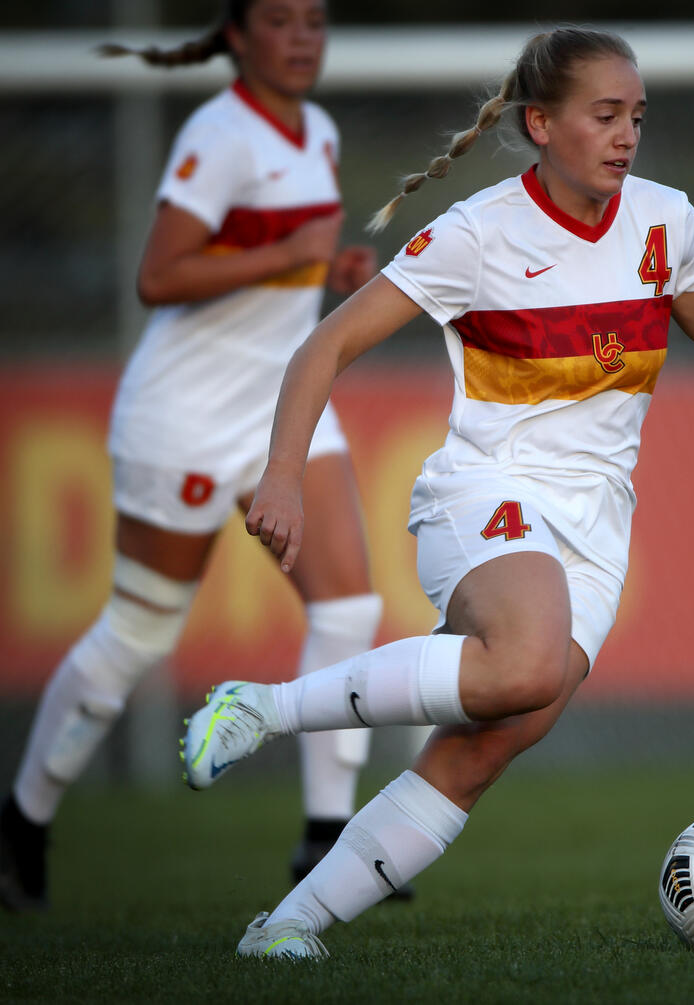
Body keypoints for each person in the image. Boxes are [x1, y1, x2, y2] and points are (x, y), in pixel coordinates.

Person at [179, 25, 694, 959]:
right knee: (526, 664)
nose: (627, 135)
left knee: (482, 747)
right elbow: (324, 345)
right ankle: (262, 707)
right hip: (484, 491)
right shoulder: (477, 234)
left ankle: (286, 928)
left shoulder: (666, 225)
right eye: (605, 115)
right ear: (541, 124)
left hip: (598, 527)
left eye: (636, 116)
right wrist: (282, 478)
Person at [0, 0, 390, 912]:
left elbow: (282, 259)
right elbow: (158, 275)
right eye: (281, 21)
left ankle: (324, 838)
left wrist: (323, 272)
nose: (302, 37)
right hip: (182, 416)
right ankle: (23, 816)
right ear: (238, 36)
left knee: (351, 603)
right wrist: (286, 256)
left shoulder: (319, 131)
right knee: (140, 631)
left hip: (278, 409)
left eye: (315, 21)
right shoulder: (219, 134)